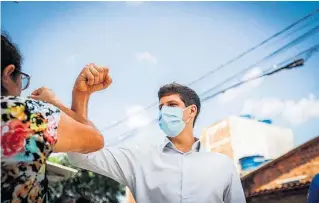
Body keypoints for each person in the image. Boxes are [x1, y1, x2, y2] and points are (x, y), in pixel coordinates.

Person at [67, 73, 246, 202]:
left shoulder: (223, 166)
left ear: (191, 111)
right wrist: (81, 96)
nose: (164, 112)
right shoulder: (139, 159)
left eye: (172, 105)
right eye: (161, 107)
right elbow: (80, 155)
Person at [1, 34, 111, 202]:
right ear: (8, 74)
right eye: (22, 80)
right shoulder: (20, 114)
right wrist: (56, 101)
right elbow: (94, 140)